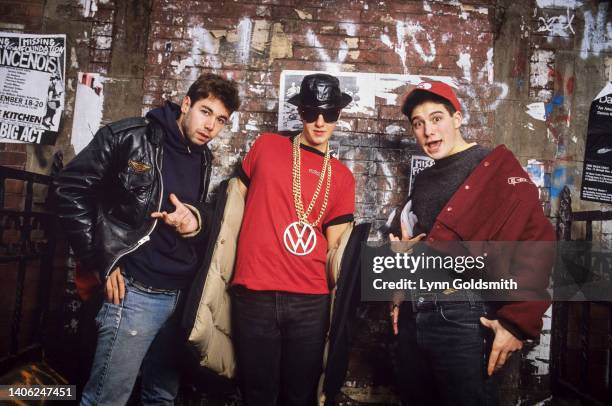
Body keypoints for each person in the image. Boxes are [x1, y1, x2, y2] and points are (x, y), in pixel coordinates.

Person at [54, 73, 240, 405]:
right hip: (137, 293)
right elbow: (69, 189)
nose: (211, 126)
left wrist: (193, 220)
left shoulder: (203, 157)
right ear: (186, 104)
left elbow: (191, 210)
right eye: (205, 111)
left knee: (161, 397)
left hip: (182, 296)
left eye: (221, 120)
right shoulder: (129, 136)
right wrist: (102, 261)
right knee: (107, 398)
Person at [387, 81, 555, 405]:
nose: (428, 131)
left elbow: (537, 242)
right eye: (418, 123)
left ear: (458, 118)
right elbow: (419, 245)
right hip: (416, 314)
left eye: (437, 118)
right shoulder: (424, 180)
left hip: (465, 318)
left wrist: (517, 323)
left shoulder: (495, 168)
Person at [232, 73, 355, 405]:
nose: (319, 122)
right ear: (299, 112)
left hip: (309, 301)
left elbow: (337, 253)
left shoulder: (342, 177)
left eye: (329, 114)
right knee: (256, 394)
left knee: (298, 397)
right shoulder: (266, 146)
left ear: (338, 115)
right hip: (253, 291)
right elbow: (231, 212)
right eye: (310, 112)